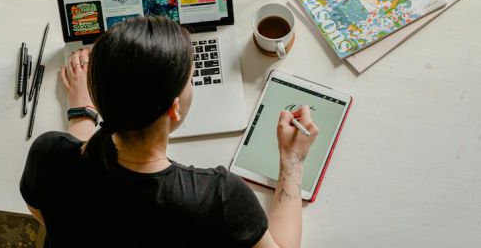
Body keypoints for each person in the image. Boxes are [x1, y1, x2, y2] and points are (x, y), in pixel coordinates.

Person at [20, 16, 319, 247]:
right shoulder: (218, 198)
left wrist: (81, 112)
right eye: (190, 79)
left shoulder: (48, 156)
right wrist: (292, 162)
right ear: (174, 109)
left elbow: (45, 212)